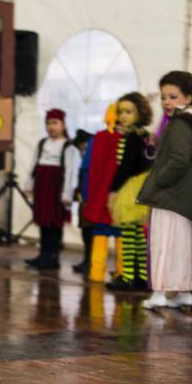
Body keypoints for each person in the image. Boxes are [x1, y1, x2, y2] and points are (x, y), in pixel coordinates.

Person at [137, 71, 192, 309]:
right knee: (184, 245)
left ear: (189, 97)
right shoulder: (190, 121)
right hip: (185, 196)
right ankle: (183, 292)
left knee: (163, 244)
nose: (166, 102)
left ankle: (159, 293)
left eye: (173, 96)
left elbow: (179, 160)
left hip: (171, 195)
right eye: (163, 97)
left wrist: (158, 181)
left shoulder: (181, 123)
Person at [105, 92, 153, 291]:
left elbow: (126, 166)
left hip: (131, 186)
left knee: (128, 233)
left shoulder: (132, 136)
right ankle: (140, 277)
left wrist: (114, 190)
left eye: (128, 112)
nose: (123, 116)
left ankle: (128, 276)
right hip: (142, 185)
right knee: (137, 235)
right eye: (121, 112)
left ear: (139, 113)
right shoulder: (144, 134)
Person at [25, 109, 79, 270]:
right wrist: (30, 184)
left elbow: (70, 172)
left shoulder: (68, 146)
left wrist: (66, 193)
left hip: (56, 187)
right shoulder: (42, 143)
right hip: (42, 186)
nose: (51, 127)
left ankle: (53, 256)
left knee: (54, 222)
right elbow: (34, 165)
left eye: (55, 123)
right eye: (48, 123)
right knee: (43, 221)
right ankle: (43, 254)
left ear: (63, 125)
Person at [83, 103, 125, 283]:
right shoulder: (129, 140)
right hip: (120, 201)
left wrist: (86, 196)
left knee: (100, 237)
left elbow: (86, 168)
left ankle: (96, 274)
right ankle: (122, 274)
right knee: (121, 238)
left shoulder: (96, 139)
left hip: (100, 200)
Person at [72, 129, 94, 274]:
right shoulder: (83, 166)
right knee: (85, 233)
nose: (82, 152)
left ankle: (90, 262)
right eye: (81, 149)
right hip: (83, 204)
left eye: (85, 148)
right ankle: (86, 260)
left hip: (92, 204)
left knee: (91, 234)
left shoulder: (94, 166)